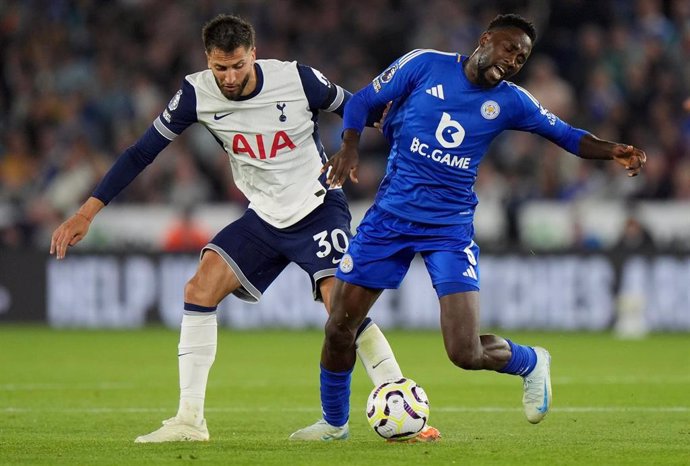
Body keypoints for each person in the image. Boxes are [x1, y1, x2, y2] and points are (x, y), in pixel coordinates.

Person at [49, 14, 440, 443]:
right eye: (220, 68)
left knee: (341, 309)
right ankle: (189, 420)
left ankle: (403, 411)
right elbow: (141, 152)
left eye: (238, 65)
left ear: (253, 54)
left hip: (318, 206)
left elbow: (360, 109)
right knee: (199, 288)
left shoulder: (297, 80)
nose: (230, 77)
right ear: (208, 61)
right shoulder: (195, 94)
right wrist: (87, 211)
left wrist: (414, 133)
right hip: (264, 216)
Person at [291, 13, 647, 438]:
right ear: (485, 40)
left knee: (465, 351)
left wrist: (614, 150)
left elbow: (568, 135)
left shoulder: (512, 100)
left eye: (522, 56)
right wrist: (349, 145)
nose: (514, 60)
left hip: (449, 228)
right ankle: (334, 425)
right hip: (389, 219)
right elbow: (362, 101)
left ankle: (530, 361)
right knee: (339, 327)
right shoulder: (424, 64)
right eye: (509, 48)